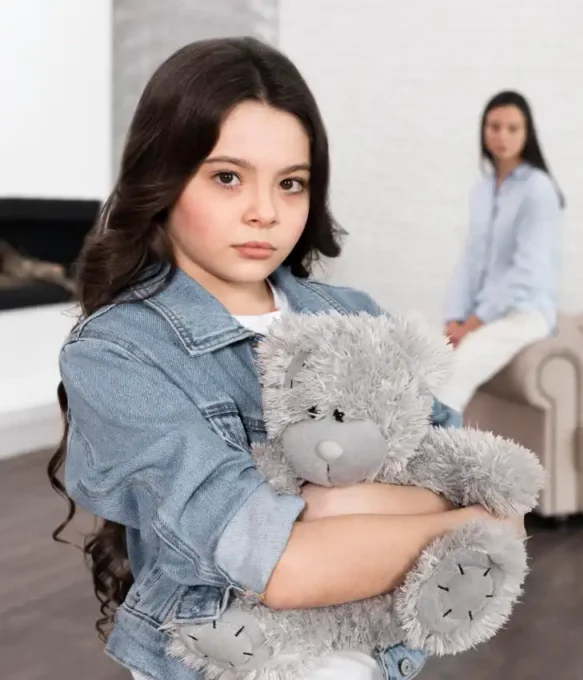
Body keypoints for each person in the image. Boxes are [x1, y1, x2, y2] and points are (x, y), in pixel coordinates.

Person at [46, 37, 524, 680]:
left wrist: (320, 513)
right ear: (163, 175)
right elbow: (281, 569)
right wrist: (468, 525)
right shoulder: (116, 353)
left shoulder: (354, 313)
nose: (265, 212)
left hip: (373, 659)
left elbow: (494, 495)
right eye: (227, 177)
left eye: (291, 183)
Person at [436, 90, 564, 413]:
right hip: (482, 315)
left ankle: (432, 457)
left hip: (525, 314)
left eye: (512, 128)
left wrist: (473, 324)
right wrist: (455, 318)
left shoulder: (539, 189)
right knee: (428, 360)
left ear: (527, 133)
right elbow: (470, 260)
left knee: (453, 374)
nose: (501, 136)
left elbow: (526, 273)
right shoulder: (481, 189)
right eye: (494, 127)